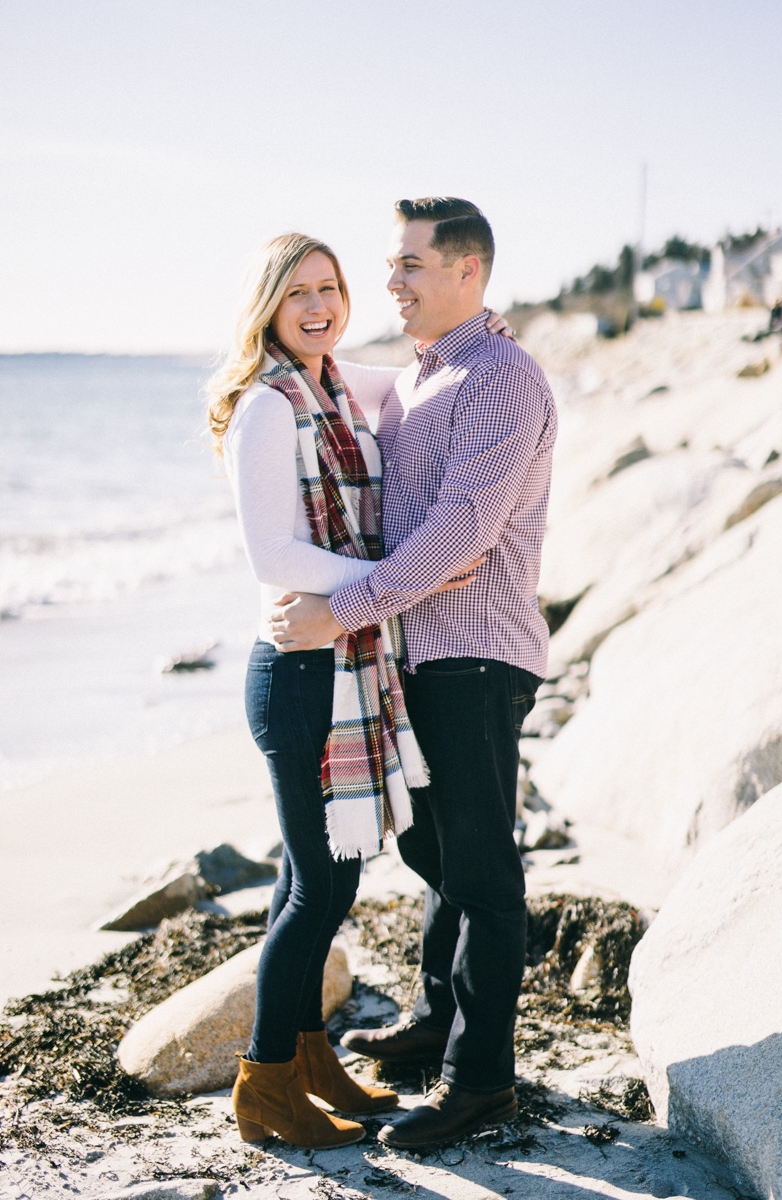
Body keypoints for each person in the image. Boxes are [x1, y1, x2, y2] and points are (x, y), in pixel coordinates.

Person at [206, 232, 508, 1150]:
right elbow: (273, 555)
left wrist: (484, 326)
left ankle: (305, 1061)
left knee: (309, 877)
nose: (318, 307)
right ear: (267, 304)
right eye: (297, 293)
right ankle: (264, 1085)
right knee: (321, 889)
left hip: (334, 661)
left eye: (330, 289)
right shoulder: (269, 404)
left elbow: (425, 373)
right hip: (299, 670)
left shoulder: (337, 386)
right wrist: (396, 571)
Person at [269, 198, 558, 1148]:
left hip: (476, 655)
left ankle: (482, 1082)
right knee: (434, 854)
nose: (389, 282)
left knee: (480, 871)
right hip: (418, 650)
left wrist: (336, 610)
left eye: (408, 267)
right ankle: (441, 1020)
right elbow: (301, 364)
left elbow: (458, 536)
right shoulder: (425, 375)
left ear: (467, 272)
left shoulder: (502, 379)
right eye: (389, 267)